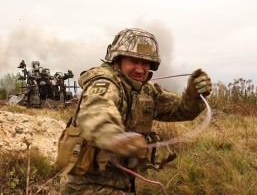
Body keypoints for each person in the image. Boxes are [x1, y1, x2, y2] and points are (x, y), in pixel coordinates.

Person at [59, 28, 212, 194]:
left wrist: (193, 95)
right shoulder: (105, 83)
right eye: (134, 61)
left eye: (145, 63)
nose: (140, 69)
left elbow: (180, 110)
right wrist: (114, 138)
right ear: (117, 60)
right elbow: (97, 113)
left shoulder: (146, 91)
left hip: (121, 183)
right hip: (86, 186)